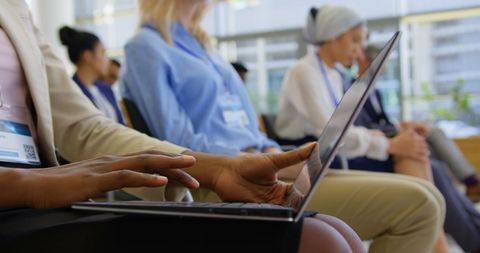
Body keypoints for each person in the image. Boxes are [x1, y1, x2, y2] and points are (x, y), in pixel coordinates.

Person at [0, 1, 369, 253]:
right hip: (18, 201)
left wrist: (221, 168)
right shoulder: (147, 46)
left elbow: (85, 129)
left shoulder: (16, 9)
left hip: (42, 201)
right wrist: (27, 182)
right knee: (324, 240)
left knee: (338, 234)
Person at [120, 1, 446, 252]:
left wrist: (269, 150)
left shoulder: (205, 46)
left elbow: (247, 124)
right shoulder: (145, 47)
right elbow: (178, 142)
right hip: (223, 180)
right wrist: (249, 160)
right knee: (419, 207)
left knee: (429, 194)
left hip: (260, 164)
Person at [276, 4, 479, 252]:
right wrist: (389, 144)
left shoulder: (335, 74)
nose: (359, 51)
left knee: (414, 154)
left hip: (335, 153)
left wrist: (387, 140)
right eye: (355, 41)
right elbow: (327, 131)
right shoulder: (303, 71)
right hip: (309, 159)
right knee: (415, 158)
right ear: (332, 35)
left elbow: (344, 128)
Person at [355, 44, 480, 203]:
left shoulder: (376, 92)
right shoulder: (356, 91)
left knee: (432, 138)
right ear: (365, 61)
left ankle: (467, 189)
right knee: (432, 147)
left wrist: (401, 125)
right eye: (381, 63)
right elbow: (365, 127)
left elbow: (382, 121)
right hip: (379, 142)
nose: (384, 69)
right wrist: (397, 129)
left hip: (388, 134)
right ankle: (471, 182)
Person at [59, 26, 125, 125]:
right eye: (103, 53)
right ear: (88, 56)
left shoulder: (106, 89)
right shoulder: (70, 92)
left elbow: (122, 125)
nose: (107, 60)